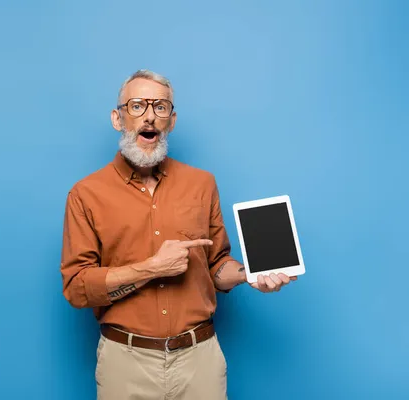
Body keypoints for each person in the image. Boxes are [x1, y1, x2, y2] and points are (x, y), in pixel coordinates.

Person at [59, 69, 297, 400]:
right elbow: (76, 288)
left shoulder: (202, 184)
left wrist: (247, 275)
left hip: (199, 360)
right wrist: (151, 268)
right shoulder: (86, 194)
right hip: (125, 363)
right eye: (138, 105)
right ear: (118, 118)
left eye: (160, 107)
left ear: (171, 121)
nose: (150, 116)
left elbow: (216, 267)